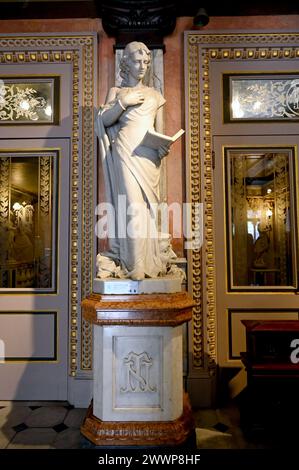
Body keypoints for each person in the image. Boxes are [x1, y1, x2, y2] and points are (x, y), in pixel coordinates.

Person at [96, 41, 173, 280]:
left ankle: (149, 261)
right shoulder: (117, 93)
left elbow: (159, 131)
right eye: (137, 62)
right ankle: (134, 264)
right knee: (132, 207)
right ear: (126, 63)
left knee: (148, 211)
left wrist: (162, 148)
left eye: (146, 63)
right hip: (126, 153)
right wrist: (122, 104)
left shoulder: (155, 95)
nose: (142, 67)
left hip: (148, 158)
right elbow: (103, 121)